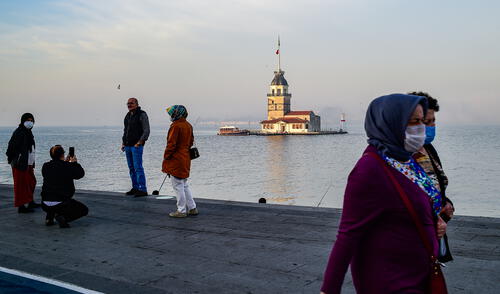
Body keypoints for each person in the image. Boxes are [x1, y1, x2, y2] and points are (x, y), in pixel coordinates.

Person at [320, 94, 447, 294]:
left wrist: (433, 219)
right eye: (413, 121)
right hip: (392, 281)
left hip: (422, 274)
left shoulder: (406, 159)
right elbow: (348, 235)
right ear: (391, 122)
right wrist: (329, 290)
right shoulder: (370, 168)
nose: (420, 128)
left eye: (422, 121)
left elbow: (409, 203)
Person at [409, 91, 454, 262]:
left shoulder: (428, 148)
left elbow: (436, 185)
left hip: (435, 234)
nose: (430, 126)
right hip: (415, 238)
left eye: (433, 121)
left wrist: (447, 203)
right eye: (424, 122)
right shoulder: (402, 155)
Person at [162, 105, 198, 218]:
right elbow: (191, 142)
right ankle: (192, 208)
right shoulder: (188, 125)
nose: (171, 116)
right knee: (184, 184)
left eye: (172, 114)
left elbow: (171, 144)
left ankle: (181, 210)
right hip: (185, 157)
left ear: (176, 114)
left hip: (176, 159)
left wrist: (166, 157)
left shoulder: (176, 126)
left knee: (177, 185)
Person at [41, 145, 87, 228]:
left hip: (44, 203)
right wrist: (74, 163)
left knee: (52, 196)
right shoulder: (68, 166)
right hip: (62, 203)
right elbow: (80, 174)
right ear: (62, 155)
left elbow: (57, 170)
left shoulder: (45, 166)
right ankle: (63, 218)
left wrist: (65, 163)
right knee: (84, 210)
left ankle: (49, 218)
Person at [6, 113, 40, 213]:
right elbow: (11, 147)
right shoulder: (19, 132)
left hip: (28, 163)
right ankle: (21, 207)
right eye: (27, 120)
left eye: (31, 120)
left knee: (31, 182)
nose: (30, 122)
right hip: (20, 164)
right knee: (20, 185)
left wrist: (32, 162)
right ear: (23, 121)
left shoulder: (28, 133)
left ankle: (30, 201)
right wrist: (14, 159)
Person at [121, 97, 150, 197]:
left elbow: (146, 130)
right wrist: (123, 143)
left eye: (131, 103)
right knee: (131, 168)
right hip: (128, 146)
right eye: (128, 103)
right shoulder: (128, 116)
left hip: (136, 146)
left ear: (136, 104)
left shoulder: (142, 114)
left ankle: (143, 189)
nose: (129, 105)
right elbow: (126, 130)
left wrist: (139, 142)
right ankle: (135, 188)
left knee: (138, 167)